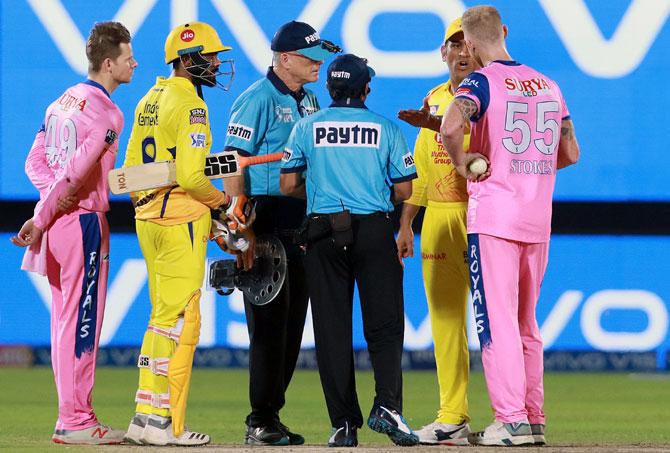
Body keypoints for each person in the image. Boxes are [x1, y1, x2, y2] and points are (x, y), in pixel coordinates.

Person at [440, 5, 579, 447]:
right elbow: (571, 152)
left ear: (473, 45)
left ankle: (511, 421)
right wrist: (532, 169)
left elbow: (450, 124)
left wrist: (463, 164)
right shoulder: (549, 85)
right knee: (526, 324)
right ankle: (533, 419)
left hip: (496, 217)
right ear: (504, 32)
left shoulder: (479, 82)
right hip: (538, 218)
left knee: (495, 322)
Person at [280, 53, 420, 448]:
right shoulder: (386, 128)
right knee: (385, 325)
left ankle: (343, 425)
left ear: (328, 89)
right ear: (366, 89)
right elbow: (405, 190)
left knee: (331, 330)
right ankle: (388, 406)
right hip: (374, 229)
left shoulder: (307, 127)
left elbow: (289, 185)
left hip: (323, 232)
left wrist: (323, 197)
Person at [10, 22, 136, 444]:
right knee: (83, 324)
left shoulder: (59, 103)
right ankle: (78, 421)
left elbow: (35, 163)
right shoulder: (109, 113)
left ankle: (71, 417)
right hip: (81, 223)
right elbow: (77, 172)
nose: (134, 63)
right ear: (108, 63)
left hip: (58, 223)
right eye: (127, 58)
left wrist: (46, 208)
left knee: (64, 324)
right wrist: (47, 212)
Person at [121, 21, 245, 446]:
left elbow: (131, 172)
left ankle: (146, 415)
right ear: (189, 61)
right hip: (180, 220)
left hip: (146, 216)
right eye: (210, 57)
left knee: (160, 316)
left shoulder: (149, 98)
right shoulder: (193, 105)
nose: (216, 64)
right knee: (179, 319)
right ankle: (163, 425)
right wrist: (223, 206)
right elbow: (192, 176)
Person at [223, 20, 339, 446]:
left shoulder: (310, 101)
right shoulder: (257, 99)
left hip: (302, 216)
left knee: (292, 325)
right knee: (269, 324)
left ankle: (271, 415)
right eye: (311, 59)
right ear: (284, 59)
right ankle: (259, 419)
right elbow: (230, 159)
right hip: (266, 217)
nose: (318, 66)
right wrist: (238, 218)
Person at [395, 17, 476, 446]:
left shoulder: (491, 92)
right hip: (441, 219)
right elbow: (423, 170)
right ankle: (453, 417)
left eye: (469, 44)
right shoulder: (434, 97)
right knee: (446, 322)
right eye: (454, 44)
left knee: (500, 321)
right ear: (443, 52)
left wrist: (433, 123)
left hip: (485, 213)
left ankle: (517, 416)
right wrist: (408, 222)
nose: (462, 52)